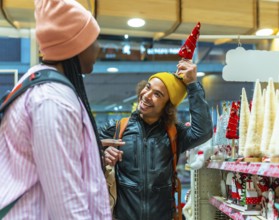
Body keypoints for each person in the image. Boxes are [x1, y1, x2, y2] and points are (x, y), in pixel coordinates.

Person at [0, 0, 111, 219]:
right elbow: (66, 202)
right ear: (75, 46)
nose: (98, 48)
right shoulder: (53, 101)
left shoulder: (43, 84)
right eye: (93, 40)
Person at [99, 59, 213, 220]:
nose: (146, 96)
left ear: (167, 106)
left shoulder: (174, 134)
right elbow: (81, 153)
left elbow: (203, 131)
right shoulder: (117, 129)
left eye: (157, 94)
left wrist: (192, 85)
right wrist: (102, 156)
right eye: (148, 87)